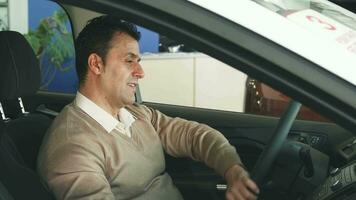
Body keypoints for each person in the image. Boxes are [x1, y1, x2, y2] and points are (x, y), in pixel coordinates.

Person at [37, 15, 259, 200]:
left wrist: (232, 169)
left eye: (139, 61)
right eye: (129, 60)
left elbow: (193, 135)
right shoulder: (73, 147)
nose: (140, 72)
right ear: (96, 64)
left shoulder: (135, 113)